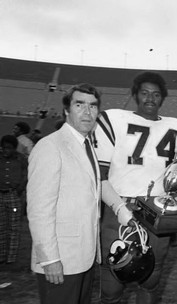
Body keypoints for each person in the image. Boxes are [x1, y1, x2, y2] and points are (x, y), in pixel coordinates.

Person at [94, 71, 177, 304]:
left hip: (157, 209)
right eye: (144, 93)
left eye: (156, 94)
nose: (150, 98)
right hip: (119, 204)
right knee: (112, 282)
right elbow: (100, 175)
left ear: (162, 98)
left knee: (151, 279)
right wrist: (119, 209)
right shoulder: (113, 119)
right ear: (135, 95)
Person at [27, 83, 101, 304]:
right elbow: (39, 210)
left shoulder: (87, 145)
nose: (87, 112)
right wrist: (49, 259)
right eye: (80, 105)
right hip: (60, 259)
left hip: (83, 256)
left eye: (93, 106)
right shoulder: (50, 146)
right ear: (67, 111)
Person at [0, 135, 28, 264]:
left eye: (9, 148)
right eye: (4, 148)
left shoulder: (21, 159)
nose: (6, 151)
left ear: (14, 148)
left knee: (14, 227)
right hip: (1, 193)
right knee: (1, 226)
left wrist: (20, 189)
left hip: (14, 194)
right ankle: (1, 255)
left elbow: (26, 175)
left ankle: (11, 257)